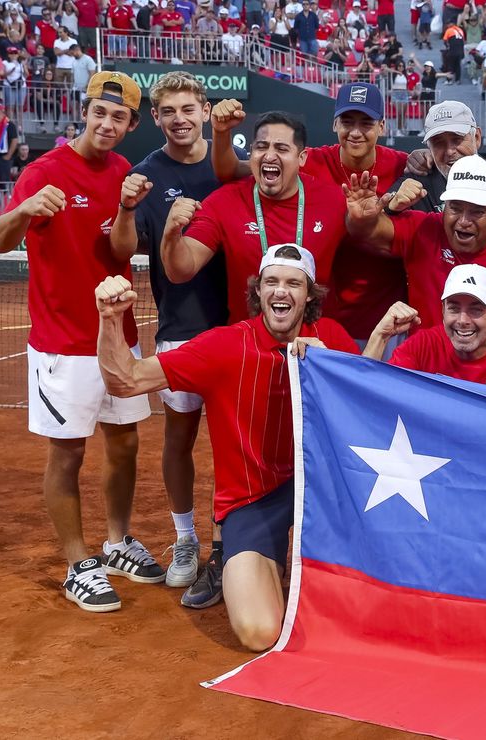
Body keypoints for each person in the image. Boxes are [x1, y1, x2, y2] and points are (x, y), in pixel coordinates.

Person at [94, 245, 359, 649]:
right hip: (254, 500)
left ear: (309, 296)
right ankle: (249, 558)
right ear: (259, 291)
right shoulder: (224, 346)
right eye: (272, 282)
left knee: (357, 614)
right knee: (258, 632)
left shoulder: (332, 338)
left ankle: (290, 564)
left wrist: (334, 368)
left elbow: (367, 411)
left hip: (321, 494)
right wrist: (110, 319)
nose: (281, 291)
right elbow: (125, 381)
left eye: (293, 283)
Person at [0, 71, 162, 613]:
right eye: (99, 113)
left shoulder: (125, 173)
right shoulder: (43, 172)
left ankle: (117, 542)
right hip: (62, 345)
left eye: (118, 117)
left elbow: (121, 252)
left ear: (131, 124)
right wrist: (24, 209)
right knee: (67, 453)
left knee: (125, 444)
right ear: (84, 112)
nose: (106, 124)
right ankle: (77, 563)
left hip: (119, 337)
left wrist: (127, 208)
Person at [109, 72, 248, 609]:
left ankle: (229, 542)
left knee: (237, 441)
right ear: (157, 118)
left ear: (204, 111)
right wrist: (127, 208)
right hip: (181, 329)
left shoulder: (230, 168)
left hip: (238, 325)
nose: (180, 119)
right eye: (169, 111)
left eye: (189, 108)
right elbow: (123, 248)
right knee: (179, 439)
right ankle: (186, 539)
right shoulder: (144, 176)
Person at [209, 85, 409, 345]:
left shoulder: (403, 166)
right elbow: (232, 171)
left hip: (384, 314)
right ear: (335, 124)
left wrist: (424, 158)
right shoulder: (308, 160)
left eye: (366, 123)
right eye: (347, 122)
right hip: (328, 318)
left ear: (382, 126)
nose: (355, 132)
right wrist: (221, 132)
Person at [161, 110, 348, 324]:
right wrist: (171, 233)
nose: (269, 156)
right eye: (261, 147)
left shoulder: (333, 200)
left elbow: (371, 246)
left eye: (281, 148)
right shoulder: (224, 201)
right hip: (248, 339)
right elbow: (180, 271)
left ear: (302, 157)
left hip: (314, 339)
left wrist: (370, 220)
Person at [343, 154, 486, 331]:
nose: (464, 221)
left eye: (477, 211)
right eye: (455, 208)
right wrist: (361, 218)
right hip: (422, 368)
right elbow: (368, 232)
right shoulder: (424, 229)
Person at [364, 265, 486, 389]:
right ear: (443, 310)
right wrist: (379, 336)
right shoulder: (423, 345)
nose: (462, 320)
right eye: (454, 308)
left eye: (475, 309)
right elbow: (365, 396)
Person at [395, 101, 486, 213]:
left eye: (457, 139)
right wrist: (392, 207)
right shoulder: (415, 184)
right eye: (438, 143)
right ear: (429, 147)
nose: (449, 151)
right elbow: (386, 211)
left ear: (477, 138)